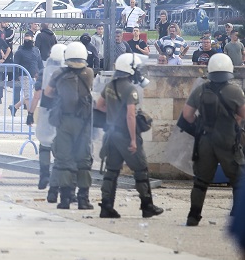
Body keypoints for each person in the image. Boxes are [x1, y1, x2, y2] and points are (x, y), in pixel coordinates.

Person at [95, 53, 164, 219]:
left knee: (111, 171)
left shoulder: (110, 85)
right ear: (130, 69)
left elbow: (99, 105)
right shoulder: (130, 89)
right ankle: (147, 206)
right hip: (126, 135)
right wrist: (133, 139)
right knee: (140, 170)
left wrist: (112, 113)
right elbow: (131, 116)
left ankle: (106, 207)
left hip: (111, 135)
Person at [179, 53, 245, 226]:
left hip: (205, 142)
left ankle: (193, 216)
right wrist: (234, 122)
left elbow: (187, 115)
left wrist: (201, 126)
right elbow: (243, 114)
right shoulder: (235, 91)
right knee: (239, 179)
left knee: (200, 181)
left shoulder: (200, 90)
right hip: (228, 141)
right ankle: (237, 214)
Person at [44, 41, 95, 210]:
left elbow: (48, 92)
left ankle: (65, 199)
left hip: (64, 121)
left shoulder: (58, 73)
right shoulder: (89, 73)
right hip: (83, 122)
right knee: (84, 160)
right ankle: (83, 199)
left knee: (64, 159)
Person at [27, 44, 66, 201]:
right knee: (60, 149)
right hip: (61, 114)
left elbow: (37, 95)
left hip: (45, 112)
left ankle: (44, 176)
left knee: (44, 145)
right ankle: (57, 182)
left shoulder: (44, 73)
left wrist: (30, 113)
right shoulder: (67, 73)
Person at [12, 31, 43, 115]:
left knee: (29, 95)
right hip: (24, 75)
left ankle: (14, 107)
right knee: (28, 96)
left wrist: (41, 73)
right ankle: (30, 114)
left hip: (35, 75)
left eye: (30, 40)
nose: (28, 42)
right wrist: (16, 76)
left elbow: (39, 62)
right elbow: (16, 65)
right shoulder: (20, 51)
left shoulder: (36, 50)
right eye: (26, 40)